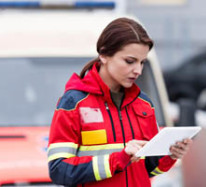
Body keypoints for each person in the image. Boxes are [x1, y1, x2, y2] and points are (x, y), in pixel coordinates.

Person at [47, 17, 193, 187]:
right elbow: (59, 171)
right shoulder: (74, 102)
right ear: (104, 55)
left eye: (142, 62)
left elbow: (145, 169)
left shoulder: (144, 105)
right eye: (130, 61)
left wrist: (170, 155)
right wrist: (118, 159)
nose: (138, 70)